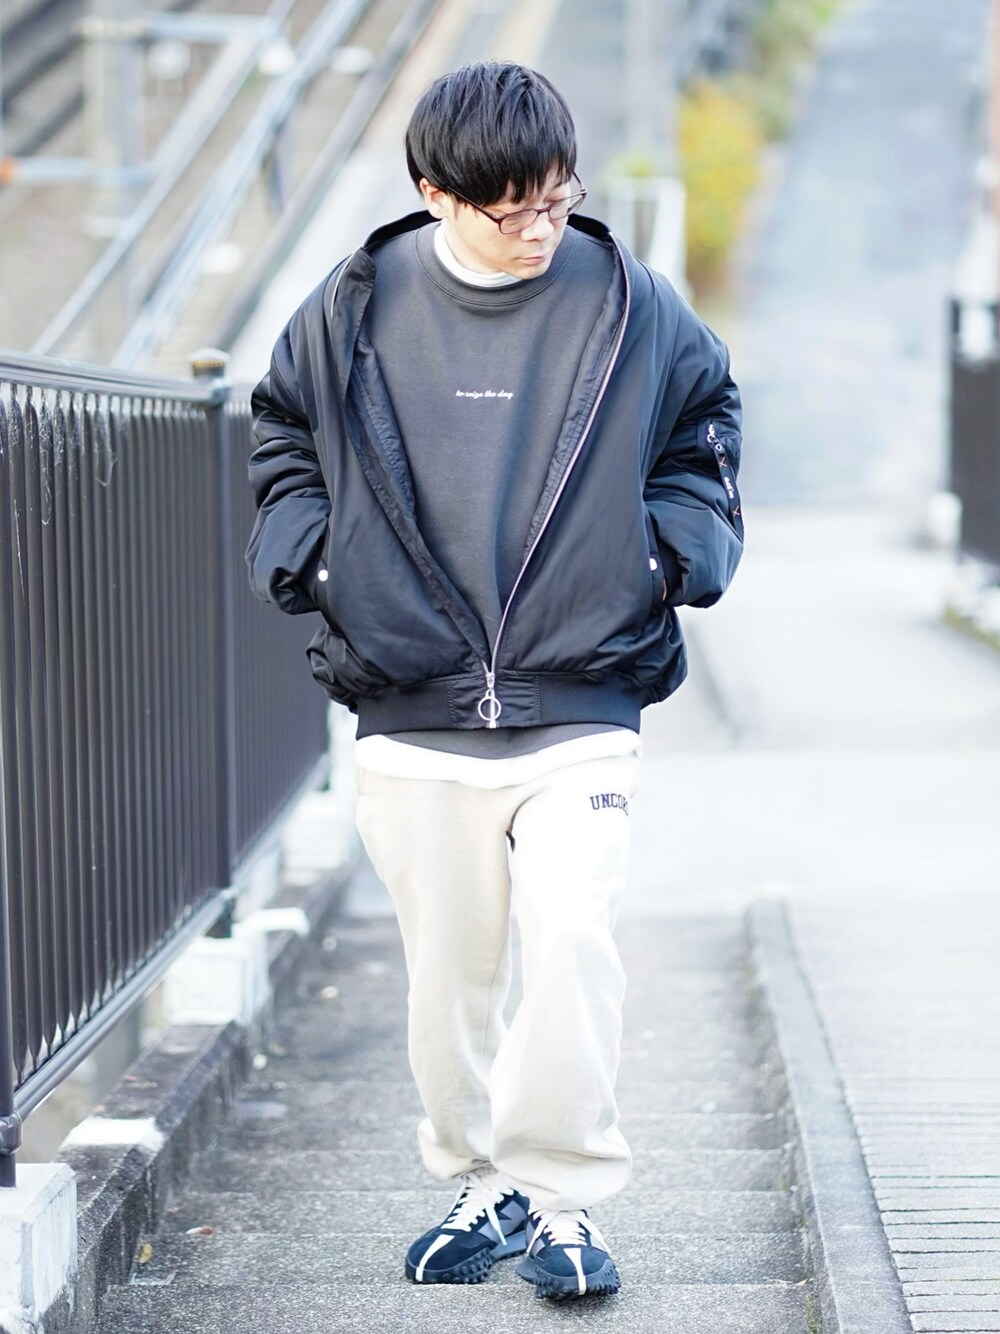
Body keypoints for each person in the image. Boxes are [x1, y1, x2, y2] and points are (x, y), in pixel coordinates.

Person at [245, 60, 743, 1302]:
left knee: (570, 935)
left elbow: (704, 426)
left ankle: (563, 1195)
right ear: (435, 193)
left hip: (582, 691)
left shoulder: (631, 303)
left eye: (557, 202)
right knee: (447, 979)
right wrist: (313, 558)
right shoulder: (351, 307)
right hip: (409, 697)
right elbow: (282, 430)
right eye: (509, 211)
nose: (538, 231)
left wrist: (668, 555)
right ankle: (483, 1178)